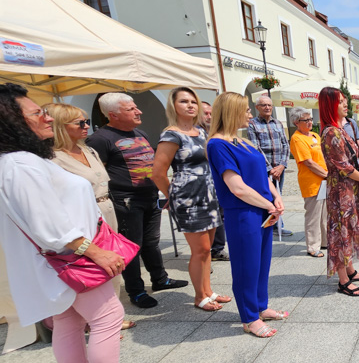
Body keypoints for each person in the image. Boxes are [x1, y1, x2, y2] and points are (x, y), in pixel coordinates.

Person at [0, 84, 159, 363]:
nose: (46, 116)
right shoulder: (21, 164)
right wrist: (96, 252)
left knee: (69, 320)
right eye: (36, 113)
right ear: (12, 121)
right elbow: (48, 226)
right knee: (107, 317)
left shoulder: (23, 161)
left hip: (61, 261)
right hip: (72, 258)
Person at [87, 93, 187, 309]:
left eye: (136, 107)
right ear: (113, 115)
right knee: (131, 247)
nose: (138, 111)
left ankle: (160, 280)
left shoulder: (138, 132)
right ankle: (136, 291)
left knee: (151, 243)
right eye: (131, 109)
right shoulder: (100, 139)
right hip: (126, 201)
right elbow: (97, 174)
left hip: (149, 196)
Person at [46, 103, 136, 332]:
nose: (87, 126)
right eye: (80, 123)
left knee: (113, 262)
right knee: (89, 266)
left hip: (106, 210)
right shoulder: (52, 159)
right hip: (81, 216)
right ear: (60, 126)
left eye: (87, 121)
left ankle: (110, 317)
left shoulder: (88, 150)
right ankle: (92, 319)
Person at [207, 92, 288, 338]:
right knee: (246, 266)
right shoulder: (217, 144)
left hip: (263, 207)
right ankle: (249, 317)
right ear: (232, 112)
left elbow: (264, 175)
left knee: (262, 263)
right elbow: (236, 186)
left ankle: (260, 306)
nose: (250, 114)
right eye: (246, 110)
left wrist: (276, 197)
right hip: (243, 211)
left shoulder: (242, 142)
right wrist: (269, 203)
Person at [152, 88, 228, 312]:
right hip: (189, 200)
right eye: (184, 101)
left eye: (193, 101)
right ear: (173, 106)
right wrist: (174, 197)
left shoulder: (201, 131)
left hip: (209, 195)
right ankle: (199, 296)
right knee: (200, 249)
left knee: (208, 250)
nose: (190, 105)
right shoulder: (171, 135)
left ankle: (208, 290)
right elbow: (158, 173)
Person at [319, 87, 359, 296]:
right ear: (330, 105)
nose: (346, 105)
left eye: (345, 101)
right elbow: (344, 167)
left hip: (348, 190)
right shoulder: (331, 132)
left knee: (350, 230)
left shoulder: (340, 128)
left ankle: (351, 271)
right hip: (340, 192)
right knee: (341, 233)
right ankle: (343, 280)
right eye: (341, 101)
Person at [247, 95, 292, 238]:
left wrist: (282, 166)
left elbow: (286, 145)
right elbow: (256, 148)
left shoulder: (278, 123)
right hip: (263, 169)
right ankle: (267, 224)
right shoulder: (252, 124)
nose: (267, 108)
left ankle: (277, 224)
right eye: (263, 105)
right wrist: (269, 168)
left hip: (279, 168)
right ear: (257, 107)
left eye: (269, 105)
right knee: (265, 196)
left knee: (278, 195)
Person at [288, 107, 329, 258]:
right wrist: (327, 175)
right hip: (312, 182)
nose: (310, 122)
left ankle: (324, 241)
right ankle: (312, 246)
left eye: (310, 119)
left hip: (323, 180)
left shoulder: (314, 136)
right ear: (296, 122)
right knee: (313, 215)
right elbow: (308, 162)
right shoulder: (297, 138)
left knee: (324, 214)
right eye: (306, 120)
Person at [202, 100, 229, 262]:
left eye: (211, 113)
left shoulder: (216, 134)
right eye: (205, 113)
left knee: (220, 216)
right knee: (207, 219)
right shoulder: (196, 134)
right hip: (201, 186)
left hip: (217, 182)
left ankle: (217, 248)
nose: (209, 116)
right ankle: (204, 254)